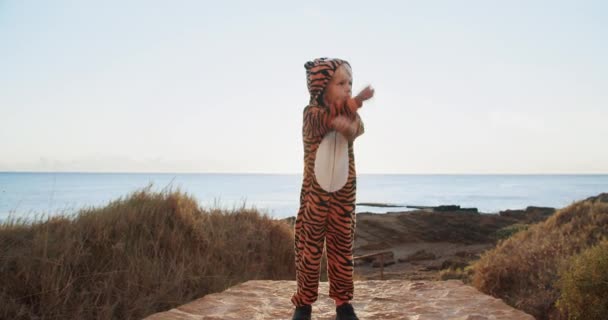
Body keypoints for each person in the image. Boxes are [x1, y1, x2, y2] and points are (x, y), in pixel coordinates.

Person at [291, 57, 374, 320]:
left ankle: (343, 303)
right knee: (309, 251)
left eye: (350, 82)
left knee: (341, 250)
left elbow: (356, 127)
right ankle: (303, 304)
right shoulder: (311, 114)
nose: (348, 86)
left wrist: (350, 119)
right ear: (321, 87)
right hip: (315, 197)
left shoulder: (350, 114)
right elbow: (326, 120)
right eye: (341, 82)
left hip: (343, 196)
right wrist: (355, 102)